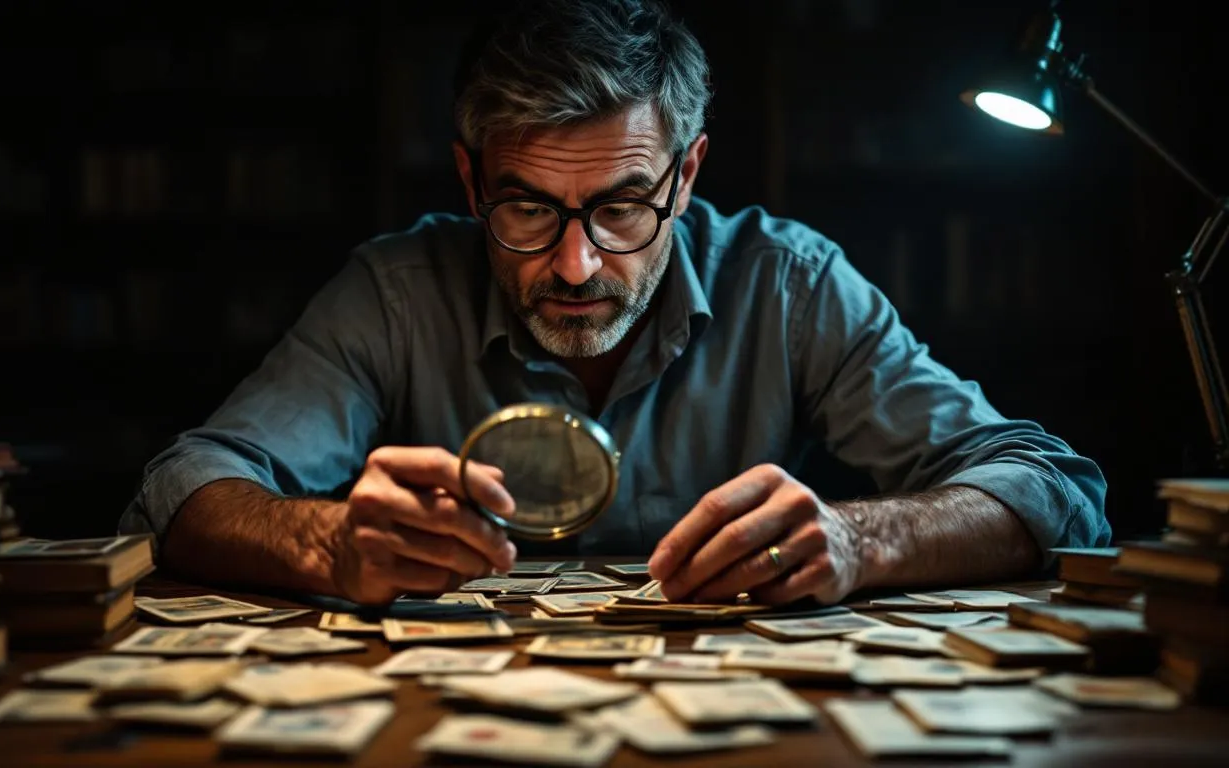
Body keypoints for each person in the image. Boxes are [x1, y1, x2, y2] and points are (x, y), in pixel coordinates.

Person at [119, 0, 1109, 606]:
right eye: (526, 207)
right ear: (471, 185)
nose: (578, 265)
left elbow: (1055, 489)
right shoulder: (395, 290)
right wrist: (327, 542)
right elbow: (185, 484)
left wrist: (859, 540)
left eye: (624, 205)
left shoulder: (789, 281)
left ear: (688, 176)